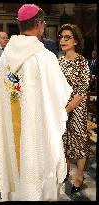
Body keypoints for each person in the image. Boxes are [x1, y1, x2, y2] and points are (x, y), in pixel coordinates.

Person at [0, 4, 72, 201]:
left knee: (15, 159)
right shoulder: (44, 57)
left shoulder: (5, 58)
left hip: (13, 131)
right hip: (37, 132)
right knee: (39, 159)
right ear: (39, 25)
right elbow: (60, 96)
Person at [58, 24, 90, 194]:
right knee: (63, 140)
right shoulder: (58, 61)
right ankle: (65, 170)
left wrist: (68, 108)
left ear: (76, 41)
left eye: (67, 37)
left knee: (79, 142)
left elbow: (82, 90)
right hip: (60, 108)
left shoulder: (81, 62)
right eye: (61, 37)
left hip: (76, 109)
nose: (62, 40)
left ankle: (79, 176)